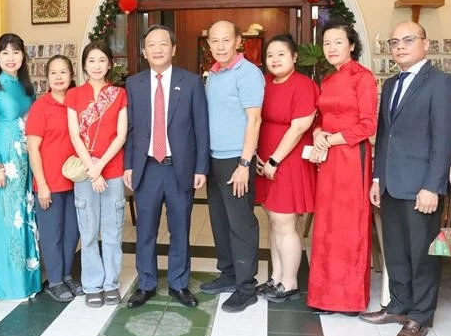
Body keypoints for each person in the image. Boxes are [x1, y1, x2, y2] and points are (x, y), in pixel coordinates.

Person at [359, 21, 451, 336]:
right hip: (391, 185)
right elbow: (385, 137)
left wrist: (433, 186)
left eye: (408, 40)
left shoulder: (440, 83)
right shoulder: (389, 85)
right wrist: (377, 177)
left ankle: (420, 317)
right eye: (394, 42)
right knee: (397, 253)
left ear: (425, 44)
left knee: (422, 256)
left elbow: (444, 140)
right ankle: (399, 306)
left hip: (421, 188)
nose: (400, 46)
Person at [123, 25, 209, 308]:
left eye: (163, 43)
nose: (157, 49)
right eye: (151, 44)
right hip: (146, 168)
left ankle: (179, 284)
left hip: (179, 168)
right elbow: (132, 129)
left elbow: (201, 128)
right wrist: (128, 166)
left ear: (173, 48)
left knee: (180, 229)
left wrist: (200, 167)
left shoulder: (192, 82)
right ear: (144, 51)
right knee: (145, 230)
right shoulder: (134, 84)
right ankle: (146, 283)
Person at [306, 20, 378, 315]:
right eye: (327, 43)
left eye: (338, 42)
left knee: (351, 226)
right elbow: (322, 116)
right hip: (329, 158)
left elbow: (368, 124)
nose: (331, 48)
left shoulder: (363, 78)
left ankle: (350, 299)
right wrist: (318, 132)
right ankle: (324, 296)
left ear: (351, 45)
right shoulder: (328, 79)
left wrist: (332, 138)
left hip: (352, 157)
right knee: (327, 226)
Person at [199, 20, 264, 313]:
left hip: (236, 160)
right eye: (215, 41)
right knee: (220, 220)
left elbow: (254, 119)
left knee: (241, 224)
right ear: (209, 43)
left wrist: (244, 163)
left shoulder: (248, 73)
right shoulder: (213, 73)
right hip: (214, 158)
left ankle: (245, 287)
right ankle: (227, 274)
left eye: (226, 40)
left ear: (238, 41)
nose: (220, 46)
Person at [254, 34, 319, 302]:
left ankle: (290, 282)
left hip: (287, 160)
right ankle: (275, 277)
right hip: (265, 158)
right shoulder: (264, 83)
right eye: (270, 55)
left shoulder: (304, 85)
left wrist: (274, 160)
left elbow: (300, 127)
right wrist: (260, 157)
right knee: (272, 220)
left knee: (285, 221)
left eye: (281, 54)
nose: (275, 59)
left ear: (294, 57)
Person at [66, 42, 127, 308]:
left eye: (102, 60)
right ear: (84, 64)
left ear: (109, 64)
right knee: (88, 231)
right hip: (85, 174)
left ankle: (111, 282)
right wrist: (91, 169)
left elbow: (121, 135)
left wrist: (100, 166)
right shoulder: (74, 95)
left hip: (111, 172)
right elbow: (74, 134)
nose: (97, 65)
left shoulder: (119, 94)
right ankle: (92, 282)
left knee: (112, 230)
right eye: (92, 60)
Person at [0, 33, 41, 300]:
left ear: (23, 56)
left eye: (15, 52)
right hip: (5, 162)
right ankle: (8, 284)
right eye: (5, 53)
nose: (10, 58)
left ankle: (27, 281)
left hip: (26, 160)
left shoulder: (28, 88)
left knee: (26, 218)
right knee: (6, 221)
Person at [25, 55, 82, 303]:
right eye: (54, 73)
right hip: (50, 183)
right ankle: (55, 280)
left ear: (71, 75)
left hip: (77, 180)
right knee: (52, 233)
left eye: (63, 72)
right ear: (47, 78)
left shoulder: (77, 103)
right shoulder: (41, 107)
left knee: (72, 232)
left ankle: (67, 275)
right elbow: (32, 148)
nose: (59, 77)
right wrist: (43, 184)